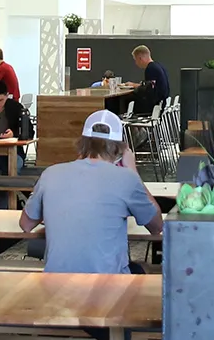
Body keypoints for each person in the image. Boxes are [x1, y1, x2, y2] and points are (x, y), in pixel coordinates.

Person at [20, 110, 162, 273]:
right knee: (147, 268)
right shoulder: (127, 178)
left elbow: (26, 225)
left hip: (55, 282)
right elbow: (157, 226)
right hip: (107, 284)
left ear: (82, 143)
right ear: (120, 149)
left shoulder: (50, 173)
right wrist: (133, 170)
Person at [132, 45, 170, 116]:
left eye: (135, 60)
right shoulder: (158, 66)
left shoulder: (150, 69)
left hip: (154, 107)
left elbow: (148, 90)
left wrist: (137, 88)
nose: (136, 63)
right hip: (161, 104)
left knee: (129, 104)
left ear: (140, 58)